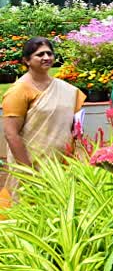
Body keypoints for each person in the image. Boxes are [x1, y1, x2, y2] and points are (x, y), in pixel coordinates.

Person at [2, 37, 85, 171]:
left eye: (49, 53)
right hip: (32, 165)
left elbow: (74, 123)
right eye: (40, 54)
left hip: (63, 164)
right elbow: (11, 134)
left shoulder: (65, 89)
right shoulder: (19, 90)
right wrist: (28, 171)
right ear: (26, 60)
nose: (46, 57)